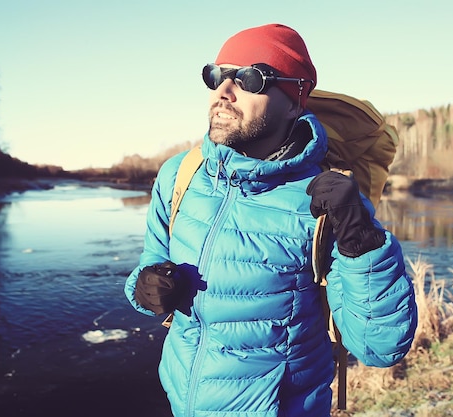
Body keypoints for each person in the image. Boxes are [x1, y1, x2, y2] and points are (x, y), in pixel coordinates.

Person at [125, 23, 417, 417]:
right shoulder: (181, 174)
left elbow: (381, 347)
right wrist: (144, 289)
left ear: (295, 101)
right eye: (216, 75)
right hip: (183, 402)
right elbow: (151, 259)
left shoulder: (329, 202)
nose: (224, 92)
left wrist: (361, 241)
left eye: (250, 78)